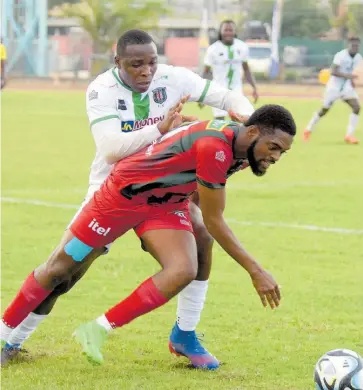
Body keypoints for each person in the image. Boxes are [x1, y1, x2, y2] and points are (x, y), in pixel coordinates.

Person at [0, 29, 255, 369]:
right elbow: (110, 149)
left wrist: (248, 124)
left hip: (162, 195)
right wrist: (162, 129)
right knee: (66, 271)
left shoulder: (174, 78)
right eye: (136, 64)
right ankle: (12, 340)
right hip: (111, 194)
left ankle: (185, 333)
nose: (146, 71)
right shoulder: (101, 90)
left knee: (201, 238)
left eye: (151, 62)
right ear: (117, 61)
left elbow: (228, 97)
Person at [1, 104, 296, 368]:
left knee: (183, 268)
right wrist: (255, 271)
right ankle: (4, 336)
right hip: (119, 199)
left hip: (165, 206)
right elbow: (214, 218)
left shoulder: (245, 152)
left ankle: (100, 329)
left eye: (282, 151)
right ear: (253, 131)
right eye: (273, 147)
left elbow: (199, 193)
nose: (276, 156)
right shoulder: (215, 147)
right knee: (59, 270)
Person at [304, 37, 362, 144]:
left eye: (356, 46)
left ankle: (349, 135)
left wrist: (352, 82)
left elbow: (352, 70)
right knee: (324, 110)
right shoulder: (341, 56)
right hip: (334, 87)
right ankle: (308, 129)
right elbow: (334, 71)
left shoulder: (358, 57)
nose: (355, 48)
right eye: (353, 45)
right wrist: (348, 76)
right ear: (348, 45)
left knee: (357, 107)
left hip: (346, 88)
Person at [200, 20, 259, 120]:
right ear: (220, 32)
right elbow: (207, 72)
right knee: (219, 121)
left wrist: (254, 88)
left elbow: (246, 69)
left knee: (238, 119)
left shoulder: (242, 47)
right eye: (225, 30)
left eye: (230, 30)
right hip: (218, 89)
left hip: (236, 89)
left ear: (235, 32)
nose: (228, 32)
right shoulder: (213, 49)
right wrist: (202, 94)